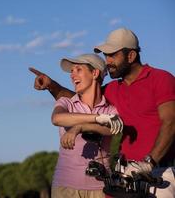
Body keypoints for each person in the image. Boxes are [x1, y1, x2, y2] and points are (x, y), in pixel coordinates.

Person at [29, 28, 175, 197]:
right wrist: (51, 85)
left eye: (112, 55)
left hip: (160, 173)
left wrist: (149, 163)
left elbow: (171, 122)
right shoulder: (114, 89)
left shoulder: (161, 79)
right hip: (126, 176)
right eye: (106, 56)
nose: (108, 61)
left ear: (131, 56)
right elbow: (80, 99)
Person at [50, 53, 123, 198]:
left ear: (95, 73)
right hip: (65, 188)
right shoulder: (66, 103)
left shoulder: (110, 110)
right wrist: (97, 118)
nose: (72, 75)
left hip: (102, 189)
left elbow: (111, 128)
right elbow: (57, 118)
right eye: (71, 71)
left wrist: (80, 127)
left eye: (78, 70)